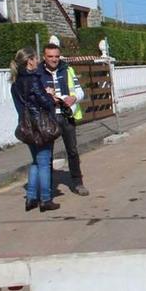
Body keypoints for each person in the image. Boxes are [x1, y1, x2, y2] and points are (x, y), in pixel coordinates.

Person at [10, 47, 60, 212]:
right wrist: (50, 96)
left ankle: (31, 198)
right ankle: (46, 199)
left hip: (26, 126)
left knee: (36, 162)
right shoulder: (33, 79)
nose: (38, 61)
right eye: (36, 58)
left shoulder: (15, 83)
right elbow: (44, 102)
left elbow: (21, 106)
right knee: (44, 163)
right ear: (29, 60)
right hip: (40, 126)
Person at [38, 43, 89, 196]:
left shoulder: (67, 69)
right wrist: (47, 97)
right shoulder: (37, 73)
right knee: (47, 154)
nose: (54, 60)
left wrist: (74, 98)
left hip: (67, 116)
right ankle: (48, 189)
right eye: (50, 56)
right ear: (44, 57)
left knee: (72, 151)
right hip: (49, 117)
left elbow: (80, 91)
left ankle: (78, 183)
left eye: (56, 56)